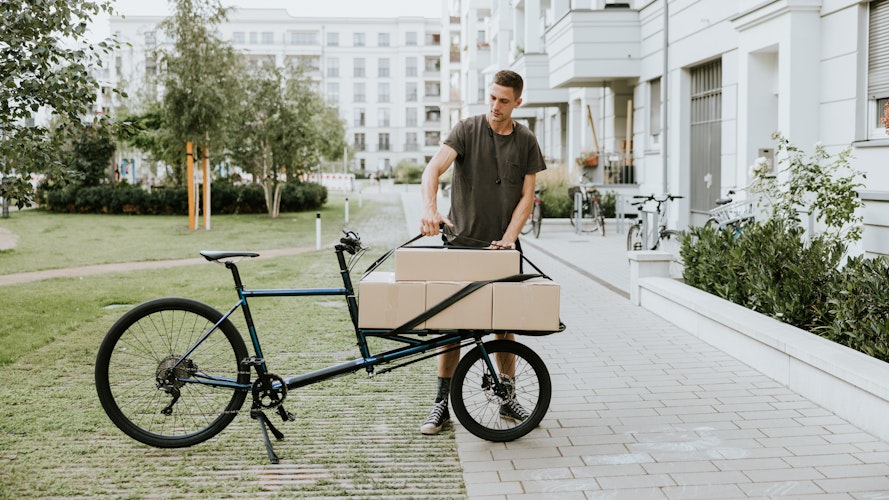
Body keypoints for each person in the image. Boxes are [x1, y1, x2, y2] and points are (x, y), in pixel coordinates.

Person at [417, 69, 546, 435]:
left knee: (505, 326)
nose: (495, 105)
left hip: (503, 247)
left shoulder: (526, 141)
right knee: (451, 326)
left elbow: (527, 197)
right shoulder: (466, 130)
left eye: (504, 100)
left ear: (518, 102)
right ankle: (442, 404)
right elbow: (433, 169)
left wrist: (509, 238)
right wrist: (429, 208)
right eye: (492, 97)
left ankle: (507, 399)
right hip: (460, 243)